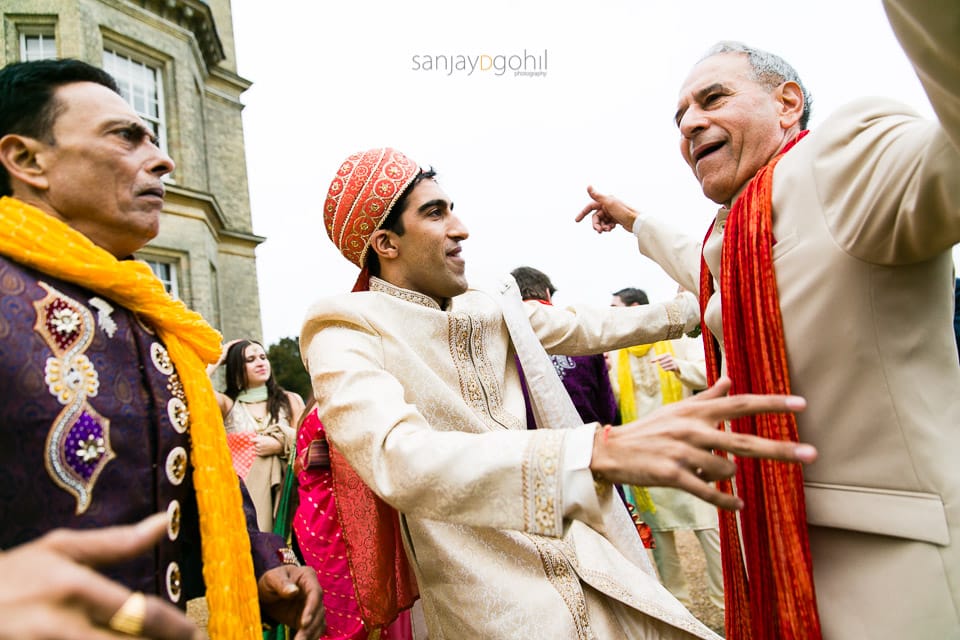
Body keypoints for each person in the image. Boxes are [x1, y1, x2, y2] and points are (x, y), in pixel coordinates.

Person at [300, 146, 817, 639]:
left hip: (580, 549)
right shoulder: (344, 328)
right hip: (485, 594)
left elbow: (581, 326)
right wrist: (589, 454)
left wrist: (700, 308)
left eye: (452, 209)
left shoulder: (486, 303)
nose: (461, 227)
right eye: (435, 214)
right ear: (385, 244)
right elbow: (398, 457)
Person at [577, 1, 959, 637]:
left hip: (891, 567)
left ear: (788, 103)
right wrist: (635, 221)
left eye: (714, 98)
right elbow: (708, 264)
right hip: (769, 550)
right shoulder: (739, 229)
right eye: (680, 116)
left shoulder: (845, 159)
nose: (690, 124)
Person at [0, 58, 324, 639]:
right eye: (126, 136)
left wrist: (263, 564)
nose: (163, 158)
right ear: (28, 160)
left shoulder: (155, 324)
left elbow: (202, 479)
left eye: (154, 136)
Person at [609, 287, 723, 615]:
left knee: (707, 525)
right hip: (643, 451)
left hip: (686, 446)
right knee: (660, 534)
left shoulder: (679, 340)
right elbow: (613, 399)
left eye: (616, 307)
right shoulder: (618, 351)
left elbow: (712, 373)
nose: (612, 313)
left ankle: (726, 604)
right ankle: (679, 608)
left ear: (637, 309)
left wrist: (679, 368)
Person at [293, 400, 413, 640]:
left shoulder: (321, 405)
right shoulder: (341, 402)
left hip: (322, 519)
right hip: (335, 525)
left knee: (341, 611)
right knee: (347, 613)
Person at [210, 339, 306, 532]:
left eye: (263, 357)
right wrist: (220, 357)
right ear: (237, 368)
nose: (261, 363)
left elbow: (306, 443)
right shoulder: (228, 405)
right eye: (251, 359)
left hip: (288, 500)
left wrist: (279, 444)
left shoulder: (290, 400)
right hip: (242, 501)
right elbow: (195, 388)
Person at [510, 266, 619, 427]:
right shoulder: (583, 331)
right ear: (547, 293)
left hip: (533, 446)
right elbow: (607, 409)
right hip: (587, 442)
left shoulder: (504, 342)